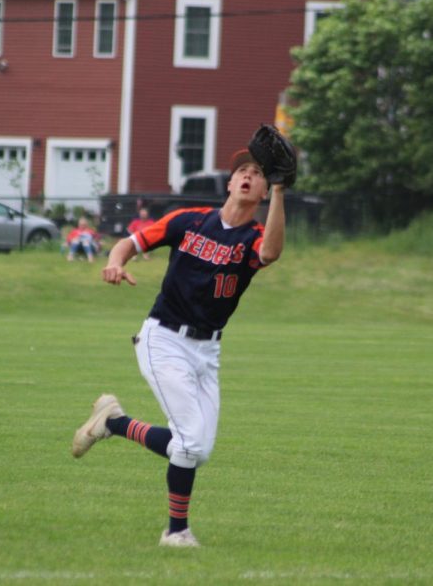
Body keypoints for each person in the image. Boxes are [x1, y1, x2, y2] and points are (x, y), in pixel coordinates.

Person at [71, 147, 287, 548]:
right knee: (188, 443)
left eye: (257, 174)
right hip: (163, 338)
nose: (248, 175)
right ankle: (176, 532)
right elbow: (130, 243)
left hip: (208, 352)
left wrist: (279, 192)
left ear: (261, 190)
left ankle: (113, 422)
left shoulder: (254, 237)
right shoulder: (189, 221)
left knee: (197, 450)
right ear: (229, 182)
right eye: (242, 169)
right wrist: (117, 262)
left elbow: (271, 253)